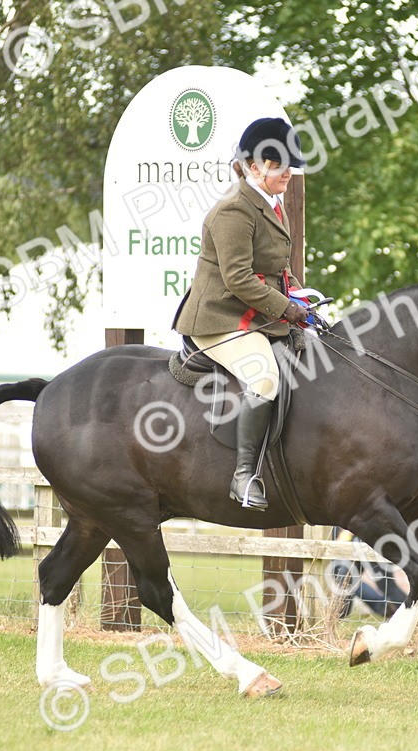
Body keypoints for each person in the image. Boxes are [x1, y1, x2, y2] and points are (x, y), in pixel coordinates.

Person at [172, 117, 309, 511]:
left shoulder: (271, 205)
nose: (287, 172)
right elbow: (238, 279)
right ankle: (244, 476)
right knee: (264, 377)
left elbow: (275, 268)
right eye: (278, 164)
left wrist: (301, 295)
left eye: (289, 164)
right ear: (253, 167)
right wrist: (287, 309)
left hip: (255, 314)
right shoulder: (233, 211)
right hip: (219, 318)